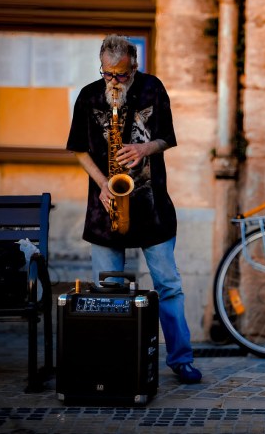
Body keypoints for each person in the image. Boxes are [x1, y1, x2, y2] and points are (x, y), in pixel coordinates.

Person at [66, 34, 201, 384]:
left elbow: (166, 138)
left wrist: (144, 150)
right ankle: (111, 362)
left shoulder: (153, 88)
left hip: (151, 206)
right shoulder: (88, 96)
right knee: (106, 293)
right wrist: (102, 185)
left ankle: (181, 359)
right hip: (106, 208)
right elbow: (79, 149)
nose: (114, 81)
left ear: (134, 65)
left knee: (168, 285)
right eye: (108, 74)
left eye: (121, 75)